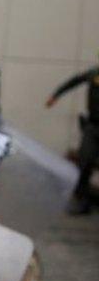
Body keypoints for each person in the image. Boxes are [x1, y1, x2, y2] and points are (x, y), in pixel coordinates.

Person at [46, 57, 99, 214]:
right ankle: (83, 201)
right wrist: (55, 95)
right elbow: (74, 81)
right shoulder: (94, 73)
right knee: (84, 161)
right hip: (93, 126)